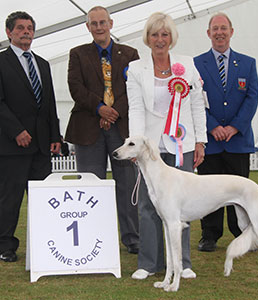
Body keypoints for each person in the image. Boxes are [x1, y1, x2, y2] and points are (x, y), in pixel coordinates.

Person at [127, 12, 207, 280]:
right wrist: (135, 145)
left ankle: (182, 263)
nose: (159, 39)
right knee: (149, 206)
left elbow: (197, 103)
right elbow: (136, 108)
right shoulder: (136, 69)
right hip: (150, 147)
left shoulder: (188, 65)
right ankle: (148, 263)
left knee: (179, 205)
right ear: (147, 38)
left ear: (171, 38)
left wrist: (200, 140)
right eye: (154, 34)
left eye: (164, 34)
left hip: (181, 143)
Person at [65, 6, 139, 254]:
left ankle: (132, 238)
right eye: (94, 23)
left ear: (111, 23)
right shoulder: (77, 54)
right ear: (88, 27)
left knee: (127, 185)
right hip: (88, 128)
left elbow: (136, 88)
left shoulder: (130, 53)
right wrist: (99, 108)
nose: (99, 27)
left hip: (122, 129)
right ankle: (90, 236)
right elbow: (75, 87)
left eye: (102, 22)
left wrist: (113, 111)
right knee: (90, 186)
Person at [193, 12, 258, 252]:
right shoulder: (196, 64)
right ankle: (209, 235)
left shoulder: (248, 63)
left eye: (223, 28)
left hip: (237, 141)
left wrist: (233, 127)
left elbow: (252, 99)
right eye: (215, 28)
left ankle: (242, 234)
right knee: (208, 193)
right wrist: (212, 126)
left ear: (232, 31)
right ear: (208, 33)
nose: (219, 32)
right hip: (210, 142)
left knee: (239, 192)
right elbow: (194, 100)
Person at [0, 11, 61, 262]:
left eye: (30, 28)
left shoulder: (43, 64)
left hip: (42, 147)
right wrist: (16, 131)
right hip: (12, 146)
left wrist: (56, 135)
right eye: (21, 28)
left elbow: (50, 104)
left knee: (44, 200)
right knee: (9, 199)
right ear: (9, 33)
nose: (26, 32)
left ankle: (45, 244)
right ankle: (5, 246)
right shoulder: (1, 62)